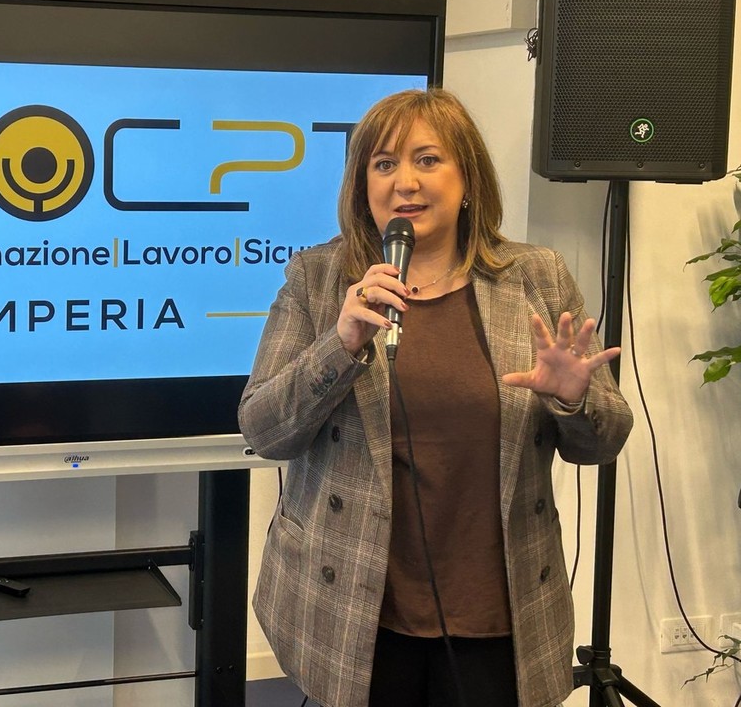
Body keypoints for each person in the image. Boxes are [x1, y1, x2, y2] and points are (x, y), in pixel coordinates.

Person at [238, 89, 633, 707]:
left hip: (497, 613)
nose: (405, 182)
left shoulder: (535, 277)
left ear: (467, 178)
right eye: (384, 163)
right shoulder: (320, 279)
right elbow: (263, 429)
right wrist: (340, 345)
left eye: (427, 159)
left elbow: (602, 442)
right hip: (356, 611)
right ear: (362, 185)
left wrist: (574, 400)